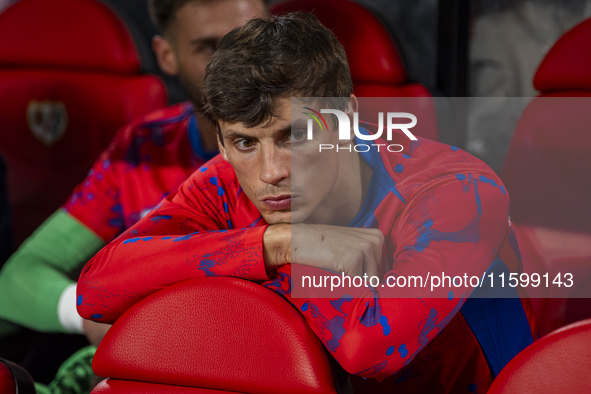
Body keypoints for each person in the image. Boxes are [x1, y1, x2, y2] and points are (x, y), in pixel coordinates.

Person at [78, 13, 536, 393]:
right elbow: (95, 290)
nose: (270, 172)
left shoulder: (455, 192)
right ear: (220, 141)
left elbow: (369, 351)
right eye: (244, 143)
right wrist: (276, 244)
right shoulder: (222, 182)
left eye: (293, 135)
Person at [0, 0, 266, 382]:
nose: (237, 65)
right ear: (166, 55)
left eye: (250, 40)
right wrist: (91, 314)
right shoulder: (142, 149)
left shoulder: (328, 148)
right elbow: (18, 278)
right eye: (210, 48)